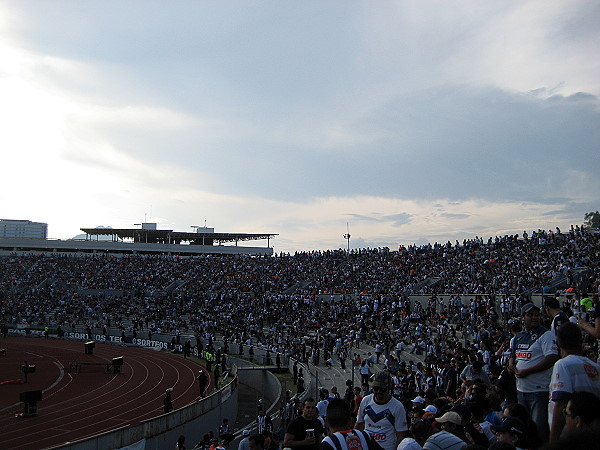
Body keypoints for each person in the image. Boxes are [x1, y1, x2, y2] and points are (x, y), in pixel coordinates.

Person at [507, 302, 558, 443]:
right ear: (523, 317)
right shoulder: (518, 337)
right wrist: (511, 366)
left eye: (536, 315)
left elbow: (551, 358)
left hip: (539, 391)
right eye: (530, 315)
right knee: (523, 429)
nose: (534, 317)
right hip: (521, 390)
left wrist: (528, 371)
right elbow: (513, 357)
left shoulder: (546, 335)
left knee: (539, 430)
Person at [548, 322, 600, 442]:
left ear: (558, 342)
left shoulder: (563, 365)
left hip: (570, 437)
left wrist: (553, 443)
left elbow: (561, 404)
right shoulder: (595, 367)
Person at [356, 371, 408, 450]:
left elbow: (400, 434)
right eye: (376, 388)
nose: (379, 392)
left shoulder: (397, 406)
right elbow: (359, 425)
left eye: (383, 389)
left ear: (388, 388)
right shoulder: (366, 401)